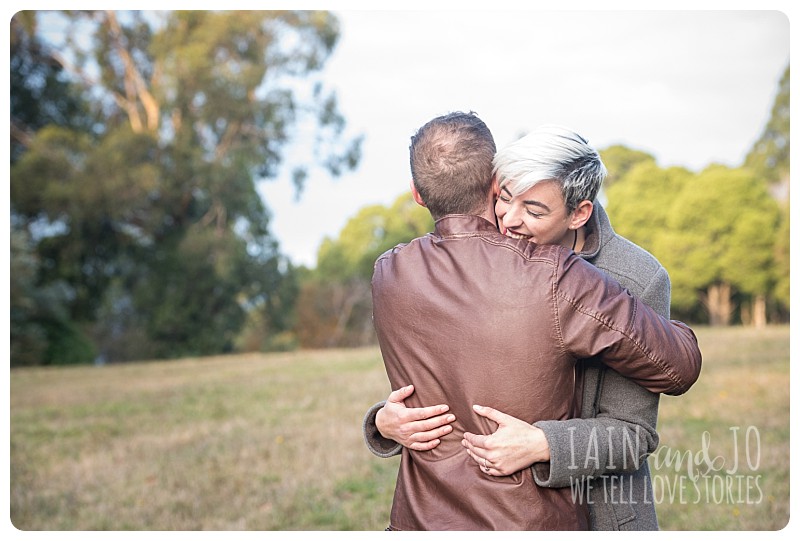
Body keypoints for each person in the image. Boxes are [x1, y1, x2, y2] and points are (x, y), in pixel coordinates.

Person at [369, 111, 701, 530]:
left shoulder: (635, 278)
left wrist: (546, 443)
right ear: (492, 184)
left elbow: (635, 434)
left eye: (534, 208)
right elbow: (452, 371)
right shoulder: (466, 260)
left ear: (578, 213)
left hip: (600, 513)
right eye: (505, 197)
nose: (508, 220)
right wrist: (384, 419)